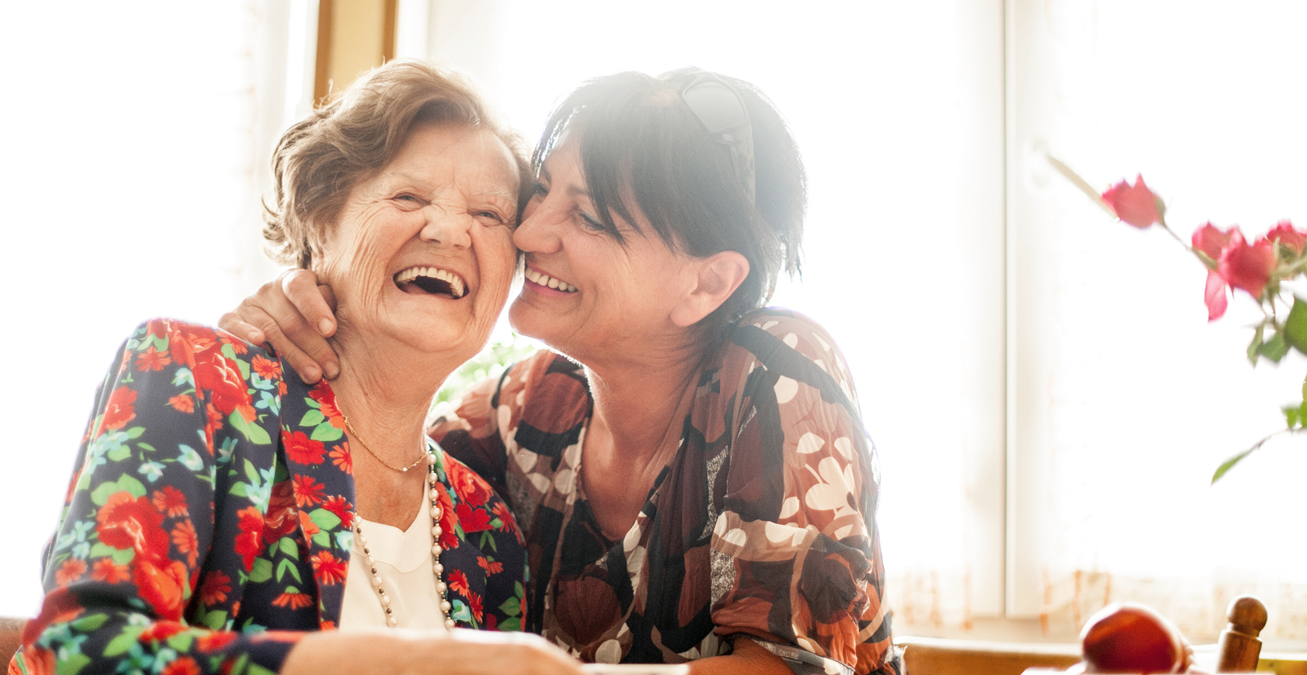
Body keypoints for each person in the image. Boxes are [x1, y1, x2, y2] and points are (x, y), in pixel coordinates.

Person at [222, 69, 900, 675]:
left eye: (589, 217)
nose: (528, 232)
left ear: (706, 284)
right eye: (541, 192)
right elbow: (383, 447)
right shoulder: (522, 409)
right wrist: (306, 300)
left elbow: (794, 668)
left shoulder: (776, 371)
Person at [11, 60, 585, 675]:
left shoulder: (489, 527)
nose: (448, 230)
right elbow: (72, 653)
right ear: (319, 224)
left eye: (490, 216)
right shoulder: (197, 381)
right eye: (408, 196)